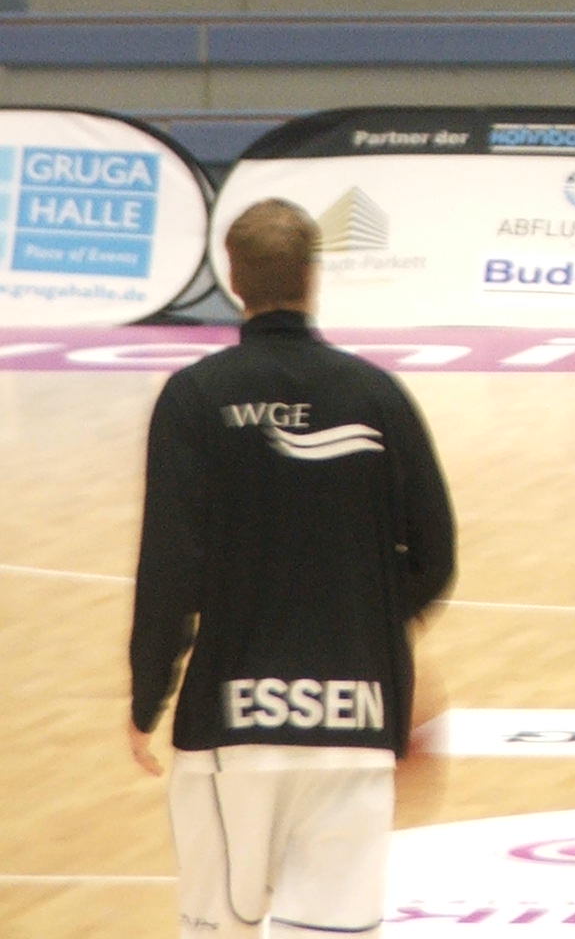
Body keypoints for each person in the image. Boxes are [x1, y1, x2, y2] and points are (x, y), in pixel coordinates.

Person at [129, 198, 456, 939]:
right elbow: (435, 557)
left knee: (219, 929)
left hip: (232, 723)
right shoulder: (376, 395)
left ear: (232, 278)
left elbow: (170, 565)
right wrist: (365, 628)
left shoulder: (194, 398)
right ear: (313, 276)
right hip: (357, 720)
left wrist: (147, 695)